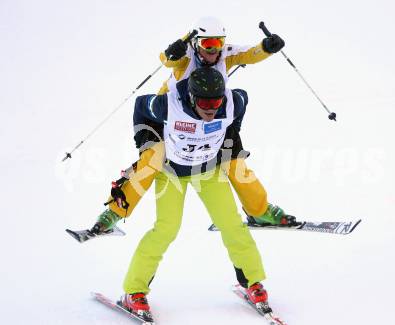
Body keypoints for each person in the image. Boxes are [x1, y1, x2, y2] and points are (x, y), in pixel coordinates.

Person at [92, 16, 294, 235]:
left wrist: (266, 47)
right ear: (196, 43)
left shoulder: (224, 53)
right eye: (208, 44)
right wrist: (175, 49)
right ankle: (113, 212)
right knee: (153, 160)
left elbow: (249, 54)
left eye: (219, 42)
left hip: (210, 115)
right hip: (168, 118)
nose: (214, 50)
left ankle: (259, 210)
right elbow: (166, 59)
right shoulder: (186, 55)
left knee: (234, 161)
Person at [119, 68, 271, 320]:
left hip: (208, 171)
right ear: (191, 97)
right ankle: (133, 292)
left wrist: (233, 133)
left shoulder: (233, 102)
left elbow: (242, 101)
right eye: (204, 102)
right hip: (170, 174)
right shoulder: (167, 105)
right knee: (166, 230)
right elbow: (139, 105)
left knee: (232, 225)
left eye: (216, 101)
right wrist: (145, 143)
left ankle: (252, 283)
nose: (211, 108)